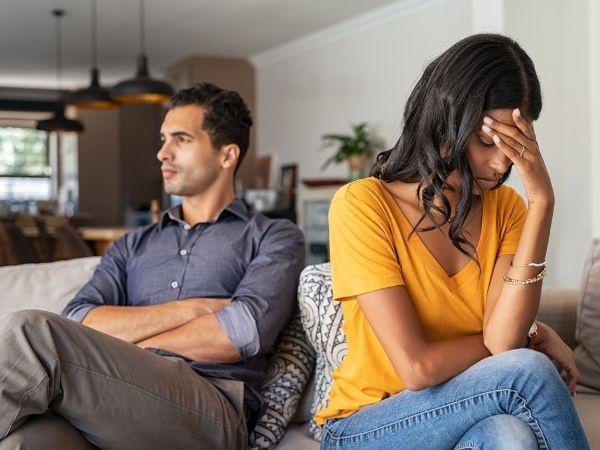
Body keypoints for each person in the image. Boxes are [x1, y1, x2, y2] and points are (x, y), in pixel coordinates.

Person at [316, 34, 589, 449]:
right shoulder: (362, 205)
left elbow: (502, 342)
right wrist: (529, 338)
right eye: (486, 142)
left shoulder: (508, 208)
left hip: (459, 413)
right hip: (366, 426)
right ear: (444, 121)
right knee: (529, 372)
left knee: (510, 434)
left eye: (514, 147)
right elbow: (418, 368)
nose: (501, 164)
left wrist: (542, 203)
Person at [0, 83, 305, 450]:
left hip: (211, 405)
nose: (163, 153)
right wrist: (192, 310)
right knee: (24, 440)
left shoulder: (274, 235)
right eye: (163, 139)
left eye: (181, 139)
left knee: (32, 330)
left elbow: (240, 332)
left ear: (227, 156)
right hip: (113, 399)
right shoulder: (133, 245)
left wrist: (121, 347)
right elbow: (79, 318)